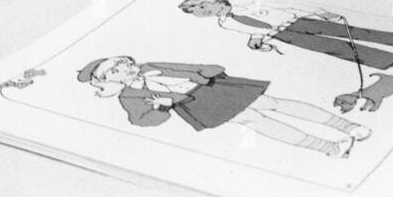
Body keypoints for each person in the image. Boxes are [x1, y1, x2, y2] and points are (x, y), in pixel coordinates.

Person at [77, 55, 370, 157]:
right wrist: (162, 106)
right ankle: (328, 148)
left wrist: (205, 72)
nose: (126, 68)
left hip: (214, 88)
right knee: (256, 121)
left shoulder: (151, 67)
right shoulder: (128, 95)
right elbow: (141, 121)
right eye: (116, 69)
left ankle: (347, 127)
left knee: (274, 104)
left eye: (124, 63)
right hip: (198, 105)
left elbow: (193, 67)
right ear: (105, 79)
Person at [178, 0, 393, 80]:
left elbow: (287, 5)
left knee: (360, 32)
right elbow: (254, 29)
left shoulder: (251, 2)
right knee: (338, 50)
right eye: (196, 12)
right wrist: (256, 41)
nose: (202, 11)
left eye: (202, 5)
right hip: (286, 35)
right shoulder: (226, 24)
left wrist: (320, 12)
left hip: (299, 19)